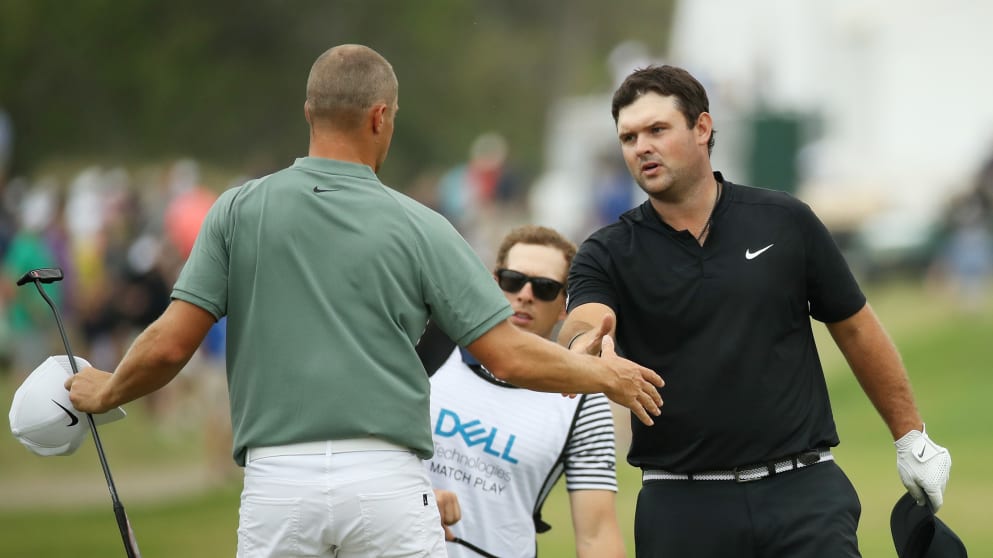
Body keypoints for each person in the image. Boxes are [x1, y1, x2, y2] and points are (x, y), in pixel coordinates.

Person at [63, 44, 663, 557]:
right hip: (387, 483)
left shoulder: (239, 210)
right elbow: (507, 354)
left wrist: (109, 389)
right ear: (381, 117)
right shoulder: (422, 226)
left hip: (278, 481)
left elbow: (169, 346)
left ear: (309, 112)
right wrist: (600, 375)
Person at [557, 64, 953, 557]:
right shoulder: (607, 250)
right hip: (681, 506)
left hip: (803, 494)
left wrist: (910, 436)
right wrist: (585, 349)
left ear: (702, 128)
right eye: (629, 137)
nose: (641, 147)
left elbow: (854, 328)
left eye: (657, 130)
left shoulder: (785, 220)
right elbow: (582, 321)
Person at [419, 225, 625, 558]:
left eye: (544, 288)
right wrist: (419, 498)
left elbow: (597, 534)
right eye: (513, 280)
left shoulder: (583, 400)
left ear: (563, 307)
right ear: (493, 283)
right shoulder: (429, 346)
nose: (525, 294)